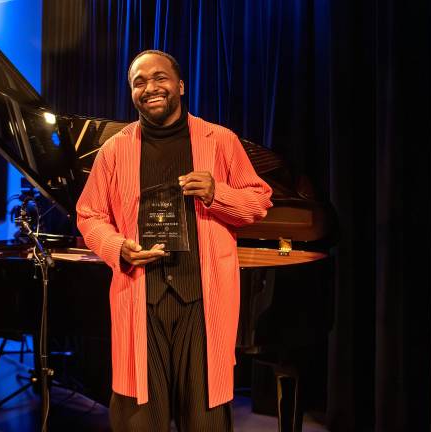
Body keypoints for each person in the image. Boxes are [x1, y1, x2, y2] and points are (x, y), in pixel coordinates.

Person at [76, 50, 273, 431]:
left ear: (180, 85)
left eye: (159, 78)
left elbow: (260, 201)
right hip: (139, 300)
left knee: (205, 420)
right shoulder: (114, 150)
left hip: (203, 303)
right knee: (138, 420)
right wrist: (118, 247)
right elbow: (89, 215)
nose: (150, 88)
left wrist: (219, 193)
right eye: (139, 82)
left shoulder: (220, 141)